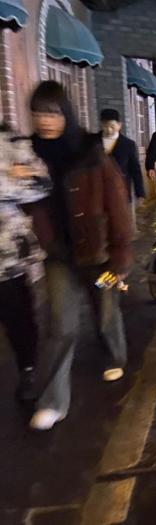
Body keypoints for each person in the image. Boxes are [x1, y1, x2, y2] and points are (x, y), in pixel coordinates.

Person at [27, 81, 133, 431]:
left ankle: (115, 355)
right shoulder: (29, 155)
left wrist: (121, 256)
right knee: (61, 325)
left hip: (99, 255)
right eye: (38, 113)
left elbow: (117, 204)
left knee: (105, 308)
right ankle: (53, 401)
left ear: (66, 114)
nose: (45, 120)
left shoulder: (89, 152)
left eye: (52, 113)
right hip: (59, 255)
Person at [0, 123, 51, 403]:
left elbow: (41, 184)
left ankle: (28, 369)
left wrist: (19, 178)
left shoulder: (12, 141)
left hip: (8, 254)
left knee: (18, 316)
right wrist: (10, 176)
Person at [96, 109, 145, 225]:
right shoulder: (93, 142)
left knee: (122, 224)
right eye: (105, 126)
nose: (109, 129)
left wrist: (140, 193)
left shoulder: (128, 144)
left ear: (119, 125)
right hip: (98, 192)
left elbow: (135, 170)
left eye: (112, 126)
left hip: (121, 191)